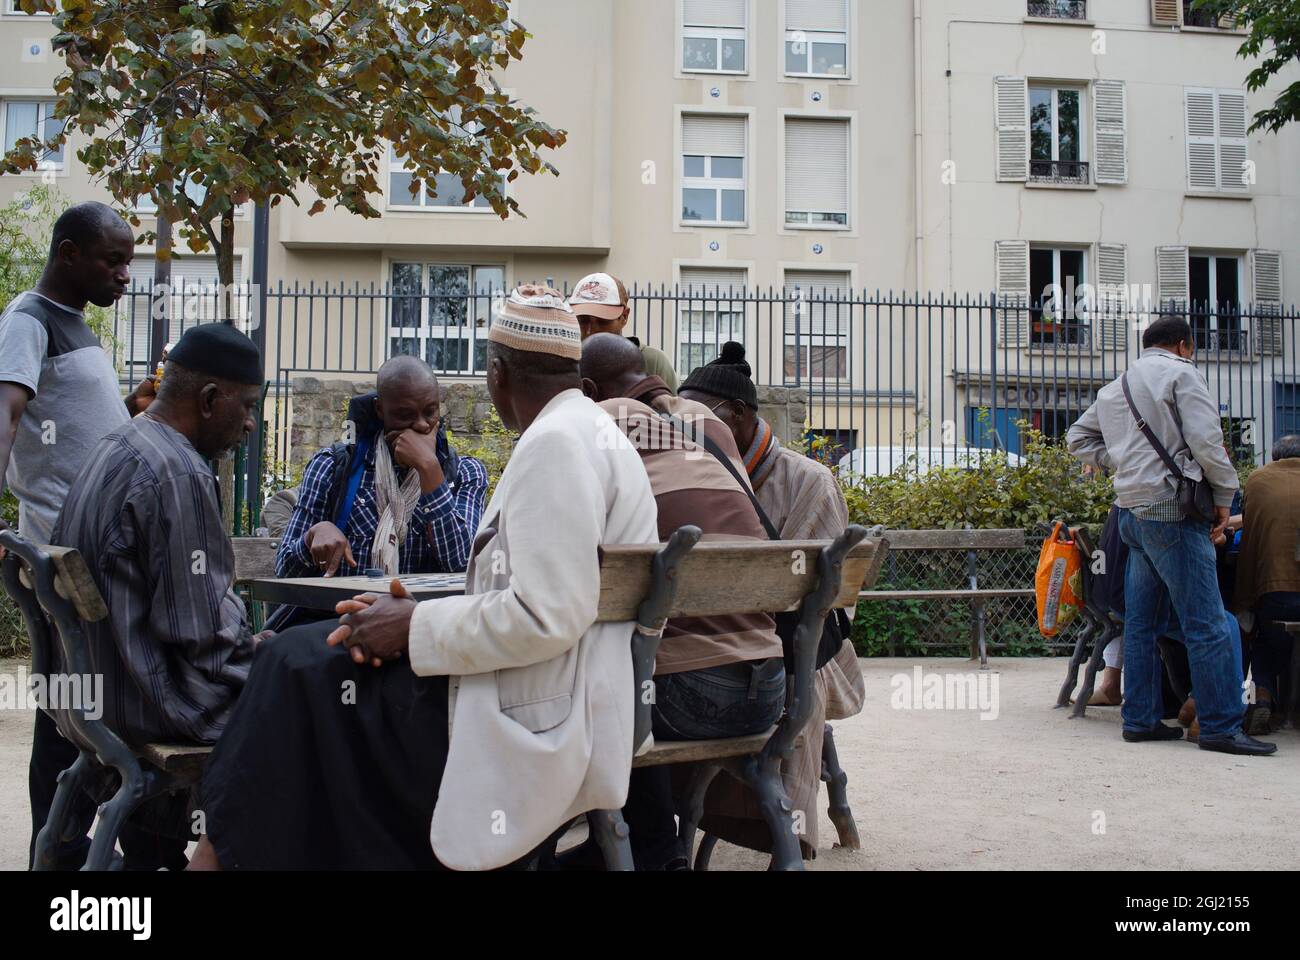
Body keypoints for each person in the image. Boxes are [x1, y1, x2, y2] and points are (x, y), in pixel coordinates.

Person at [189, 286, 659, 871]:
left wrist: (412, 628)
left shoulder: (555, 446)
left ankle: (213, 861)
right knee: (305, 671)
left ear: (497, 373)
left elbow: (546, 614)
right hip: (557, 694)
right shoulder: (597, 435)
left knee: (291, 669)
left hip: (533, 714)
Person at [50, 322, 265, 866]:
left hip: (90, 692)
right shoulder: (177, 472)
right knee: (311, 704)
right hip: (143, 700)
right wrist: (266, 654)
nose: (251, 423)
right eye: (247, 406)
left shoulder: (117, 444)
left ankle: (157, 855)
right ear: (211, 399)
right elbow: (200, 637)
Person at [579, 333, 785, 870]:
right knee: (636, 662)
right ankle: (640, 847)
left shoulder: (599, 423)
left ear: (586, 388)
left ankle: (642, 849)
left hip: (691, 696)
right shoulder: (708, 421)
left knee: (597, 678)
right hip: (770, 690)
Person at [0, 201, 156, 869]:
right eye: (112, 260)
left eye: (128, 260)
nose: (125, 274)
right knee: (69, 717)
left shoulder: (74, 328)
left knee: (91, 712)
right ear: (68, 254)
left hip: (100, 551)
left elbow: (67, 433)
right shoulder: (27, 322)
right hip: (68, 558)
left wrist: (128, 414)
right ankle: (60, 859)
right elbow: (6, 414)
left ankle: (72, 852)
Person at [679, 341, 867, 858]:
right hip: (725, 641)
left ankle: (785, 836)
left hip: (802, 649)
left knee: (790, 690)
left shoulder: (809, 481)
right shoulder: (693, 473)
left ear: (737, 415)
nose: (687, 429)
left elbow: (823, 607)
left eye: (699, 418)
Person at [1066, 316, 1274, 756]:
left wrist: (1120, 459)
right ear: (1184, 345)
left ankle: (1139, 721)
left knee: (1141, 625)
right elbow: (1206, 441)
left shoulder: (1116, 386)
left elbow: (1076, 438)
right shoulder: (1182, 374)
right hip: (1173, 513)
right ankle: (1219, 726)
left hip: (1131, 514)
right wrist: (1225, 494)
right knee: (1209, 621)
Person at [270, 357, 487, 626]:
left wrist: (430, 471)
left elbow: (464, 567)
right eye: (405, 415)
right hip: (341, 627)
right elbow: (284, 572)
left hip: (420, 631)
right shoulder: (333, 467)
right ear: (380, 410)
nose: (421, 425)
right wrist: (311, 538)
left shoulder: (465, 473)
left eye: (430, 412)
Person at [1234, 434, 1300, 734]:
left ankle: (1262, 696)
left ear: (1275, 457)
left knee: (1262, 637)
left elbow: (1250, 526)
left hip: (1274, 591)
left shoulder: (1258, 480)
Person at [568, 272, 679, 391]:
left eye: (603, 322)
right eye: (582, 321)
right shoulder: (567, 363)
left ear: (624, 316)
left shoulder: (652, 362)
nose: (590, 331)